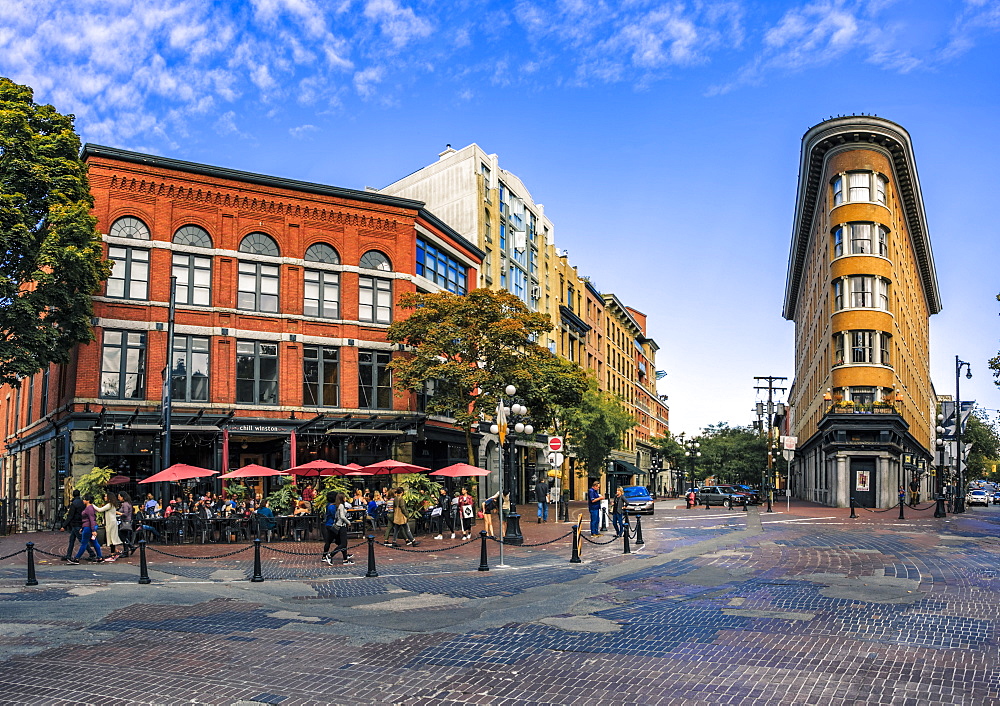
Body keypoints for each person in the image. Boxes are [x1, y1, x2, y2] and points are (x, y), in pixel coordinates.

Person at [61, 489, 95, 561]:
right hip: (81, 523)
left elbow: (70, 515)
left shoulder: (74, 503)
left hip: (76, 524)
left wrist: (64, 525)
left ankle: (91, 553)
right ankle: (68, 555)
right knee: (72, 539)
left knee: (82, 540)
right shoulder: (83, 503)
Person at [69, 495, 103, 564]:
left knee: (84, 543)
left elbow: (92, 519)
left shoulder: (89, 508)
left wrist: (93, 530)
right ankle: (100, 556)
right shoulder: (89, 507)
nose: (83, 501)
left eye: (84, 499)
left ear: (88, 501)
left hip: (88, 528)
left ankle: (77, 558)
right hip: (88, 527)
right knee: (94, 542)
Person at [325, 492, 354, 565]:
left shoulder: (338, 505)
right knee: (343, 543)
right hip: (341, 526)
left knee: (343, 543)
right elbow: (342, 516)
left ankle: (345, 559)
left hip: (340, 525)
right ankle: (330, 555)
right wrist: (348, 522)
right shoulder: (341, 505)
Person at [94, 493, 122, 561]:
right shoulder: (111, 504)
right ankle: (114, 552)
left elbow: (99, 510)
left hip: (111, 523)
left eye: (106, 496)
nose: (105, 497)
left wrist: (92, 505)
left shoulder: (109, 505)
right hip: (111, 522)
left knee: (111, 538)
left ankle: (113, 555)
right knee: (111, 538)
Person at [117, 492, 134, 556]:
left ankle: (127, 549)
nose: (119, 498)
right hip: (127, 521)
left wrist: (119, 513)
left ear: (123, 497)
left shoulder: (125, 504)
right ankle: (127, 549)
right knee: (124, 536)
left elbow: (126, 514)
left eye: (119, 497)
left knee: (122, 536)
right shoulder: (128, 504)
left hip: (125, 522)